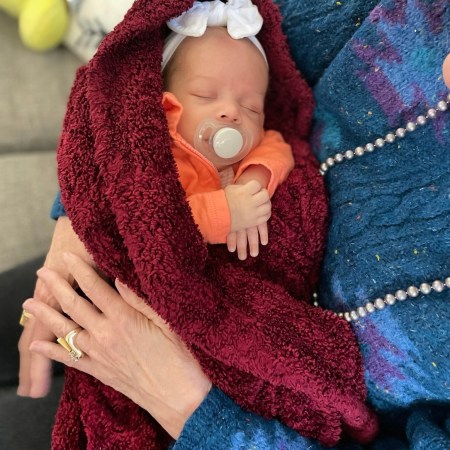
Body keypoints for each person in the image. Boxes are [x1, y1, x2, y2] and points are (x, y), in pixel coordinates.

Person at [18, 0, 450, 448]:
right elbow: (150, 214)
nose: (231, 112)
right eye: (205, 96)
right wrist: (77, 218)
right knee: (30, 340)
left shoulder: (256, 146)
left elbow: (279, 147)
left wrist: (254, 180)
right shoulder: (160, 143)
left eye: (251, 106)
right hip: (111, 282)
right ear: (164, 102)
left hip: (220, 392)